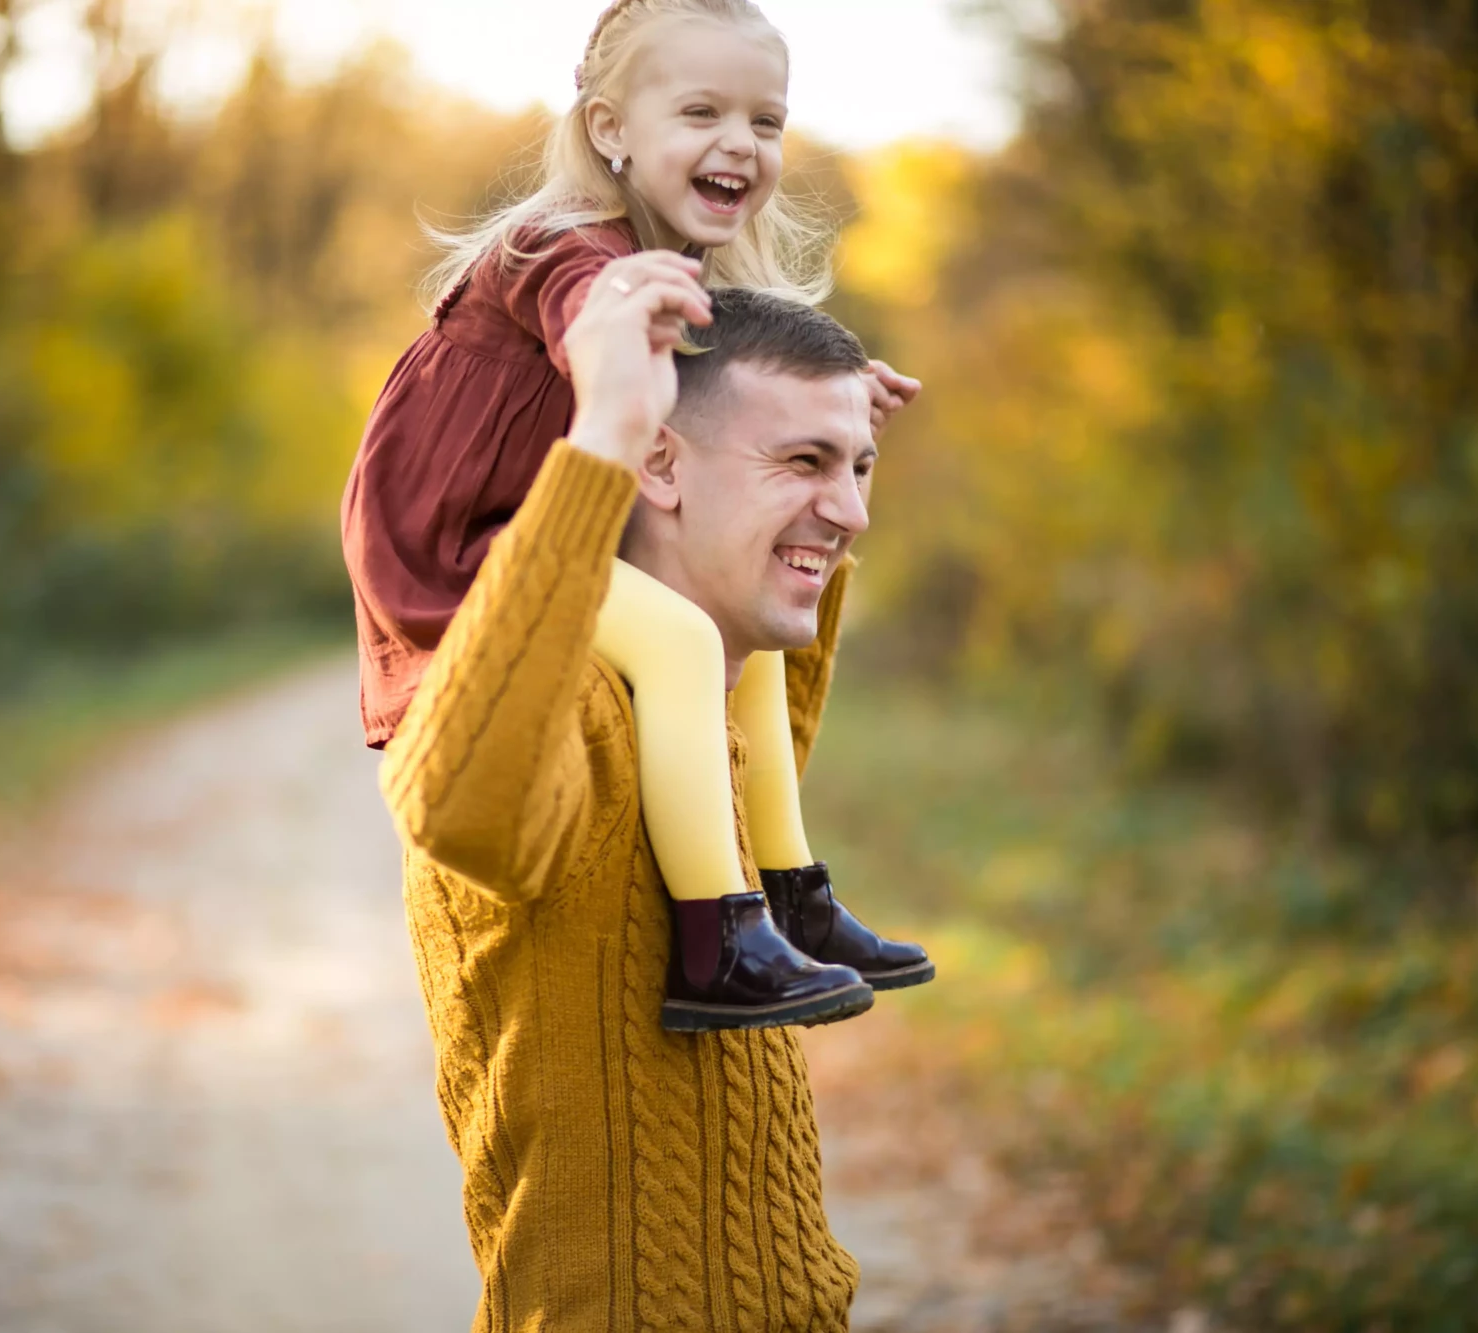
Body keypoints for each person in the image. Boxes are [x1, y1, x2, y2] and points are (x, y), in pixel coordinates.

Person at [343, 0, 932, 1031]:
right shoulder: (562, 248)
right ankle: (714, 939)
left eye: (764, 121)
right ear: (610, 128)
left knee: (735, 618)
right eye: (701, 111)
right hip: (457, 539)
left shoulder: (679, 267)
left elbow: (733, 392)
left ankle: (787, 890)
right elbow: (594, 322)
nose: (738, 145)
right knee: (677, 634)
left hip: (536, 520)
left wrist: (828, 404)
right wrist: (617, 363)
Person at [381, 268, 880, 1329]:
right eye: (802, 460)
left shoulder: (689, 720)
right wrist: (598, 437)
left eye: (859, 469)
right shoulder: (574, 716)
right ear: (656, 462)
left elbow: (769, 729)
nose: (853, 511)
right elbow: (456, 803)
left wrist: (801, 527)